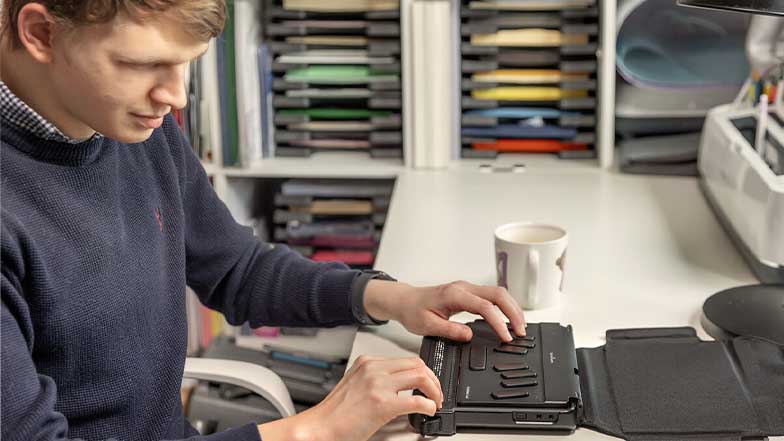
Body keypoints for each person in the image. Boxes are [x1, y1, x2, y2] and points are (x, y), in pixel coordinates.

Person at [0, 2, 527, 440]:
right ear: (41, 32)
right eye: (142, 65)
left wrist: (395, 299)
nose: (176, 96)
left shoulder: (127, 123)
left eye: (187, 65)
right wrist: (315, 428)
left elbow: (236, 269)